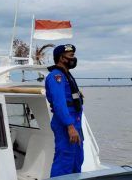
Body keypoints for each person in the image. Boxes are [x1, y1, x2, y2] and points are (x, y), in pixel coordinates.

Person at [45, 44, 84, 177]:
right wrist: (70, 126)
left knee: (77, 159)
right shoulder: (56, 76)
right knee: (64, 161)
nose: (74, 58)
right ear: (62, 58)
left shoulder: (67, 75)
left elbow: (69, 96)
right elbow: (59, 103)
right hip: (66, 124)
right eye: (71, 56)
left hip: (75, 122)